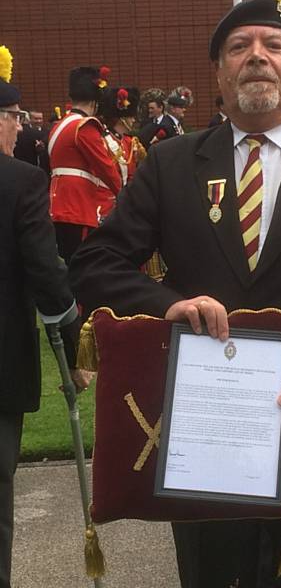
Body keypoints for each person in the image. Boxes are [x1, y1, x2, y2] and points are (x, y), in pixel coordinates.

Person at [70, 0, 281, 588]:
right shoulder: (170, 164)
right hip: (206, 443)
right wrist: (167, 305)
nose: (257, 56)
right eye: (239, 47)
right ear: (220, 74)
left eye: (273, 45)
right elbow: (97, 262)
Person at [0, 51, 87, 588]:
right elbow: (46, 277)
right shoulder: (19, 182)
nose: (20, 127)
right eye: (15, 117)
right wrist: (76, 351)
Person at [48, 67, 122, 264]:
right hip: (79, 208)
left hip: (59, 204)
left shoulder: (60, 125)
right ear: (95, 101)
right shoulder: (85, 126)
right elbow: (107, 168)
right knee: (84, 265)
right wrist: (125, 194)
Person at [97, 86, 144, 221]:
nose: (134, 120)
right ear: (122, 118)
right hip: (104, 203)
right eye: (131, 116)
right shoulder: (103, 140)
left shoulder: (129, 142)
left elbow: (132, 176)